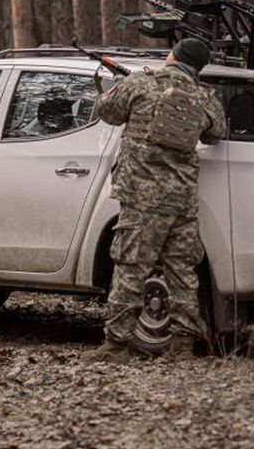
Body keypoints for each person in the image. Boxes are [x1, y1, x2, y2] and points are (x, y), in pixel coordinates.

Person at [88, 39, 227, 363]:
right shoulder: (204, 96)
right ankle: (182, 348)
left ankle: (116, 346)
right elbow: (216, 131)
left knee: (130, 269)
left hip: (142, 197)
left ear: (173, 56)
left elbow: (107, 112)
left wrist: (114, 87)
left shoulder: (141, 82)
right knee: (182, 273)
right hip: (182, 201)